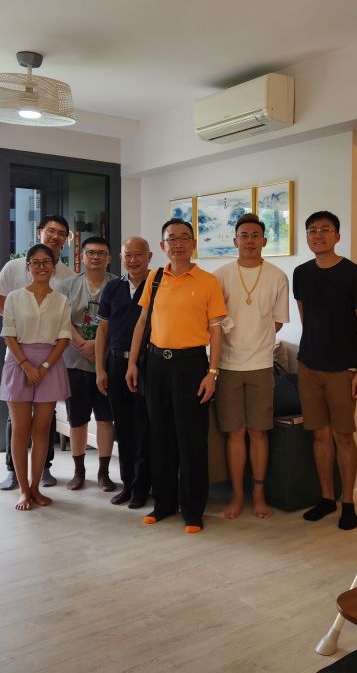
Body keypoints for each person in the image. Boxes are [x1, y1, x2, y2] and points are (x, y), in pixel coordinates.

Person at [126, 218, 226, 533]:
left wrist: (212, 372)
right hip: (156, 364)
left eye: (184, 238)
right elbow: (142, 322)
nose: (178, 244)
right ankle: (164, 503)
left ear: (193, 244)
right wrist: (132, 363)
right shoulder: (154, 278)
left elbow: (216, 330)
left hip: (191, 365)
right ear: (162, 245)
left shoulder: (208, 281)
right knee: (160, 437)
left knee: (192, 439)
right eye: (172, 238)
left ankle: (193, 510)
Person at [293, 211, 357, 530]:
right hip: (308, 365)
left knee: (344, 436)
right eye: (312, 230)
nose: (318, 235)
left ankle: (348, 502)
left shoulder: (353, 273)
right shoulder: (301, 273)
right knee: (319, 434)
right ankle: (327, 498)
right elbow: (305, 317)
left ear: (337, 236)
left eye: (325, 230)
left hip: (343, 368)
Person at [213, 214, 289, 519]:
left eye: (255, 235)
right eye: (243, 235)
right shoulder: (220, 276)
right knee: (235, 433)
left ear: (264, 241)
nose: (249, 240)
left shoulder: (277, 276)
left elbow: (278, 321)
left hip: (261, 364)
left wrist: (257, 339)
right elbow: (214, 319)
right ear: (235, 241)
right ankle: (236, 496)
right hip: (227, 364)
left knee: (259, 432)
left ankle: (259, 495)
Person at [0, 215, 72, 491]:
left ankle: (39, 478)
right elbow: (6, 322)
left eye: (61, 232)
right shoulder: (13, 278)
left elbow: (64, 334)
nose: (41, 267)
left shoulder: (66, 281)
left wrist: (45, 365)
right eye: (51, 230)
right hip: (19, 358)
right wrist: (26, 363)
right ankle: (16, 476)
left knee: (43, 427)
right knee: (18, 425)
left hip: (51, 361)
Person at [95, 236, 153, 508]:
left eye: (138, 254)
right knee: (124, 427)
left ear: (149, 256)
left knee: (144, 428)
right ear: (120, 258)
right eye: (128, 255)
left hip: (148, 364)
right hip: (116, 363)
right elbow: (102, 330)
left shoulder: (158, 285)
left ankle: (142, 487)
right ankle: (128, 485)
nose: (133, 260)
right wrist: (100, 369)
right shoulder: (112, 287)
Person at [59, 236, 114, 492]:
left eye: (101, 253)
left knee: (105, 419)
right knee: (77, 420)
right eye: (91, 253)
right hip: (75, 361)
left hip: (107, 363)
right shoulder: (68, 285)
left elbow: (121, 321)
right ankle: (78, 472)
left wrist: (97, 345)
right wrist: (83, 344)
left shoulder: (118, 285)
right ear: (82, 257)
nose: (96, 257)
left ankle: (104, 473)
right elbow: (62, 320)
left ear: (109, 258)